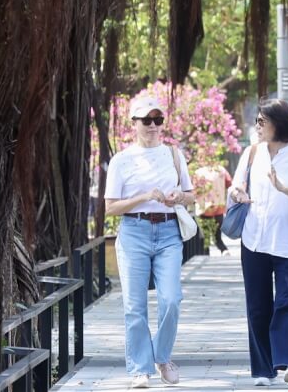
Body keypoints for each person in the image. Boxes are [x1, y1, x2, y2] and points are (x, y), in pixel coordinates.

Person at [104, 95, 195, 389]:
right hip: (134, 232)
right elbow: (110, 207)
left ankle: (162, 356)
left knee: (171, 299)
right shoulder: (122, 160)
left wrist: (178, 197)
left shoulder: (173, 155)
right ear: (134, 123)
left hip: (169, 233)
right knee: (134, 305)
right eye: (147, 120)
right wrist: (144, 197)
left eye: (158, 120)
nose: (153, 126)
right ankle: (140, 369)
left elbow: (191, 196)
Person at [228, 99, 288, 387]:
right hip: (254, 239)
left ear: (278, 123)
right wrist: (237, 192)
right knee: (257, 306)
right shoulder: (252, 152)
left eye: (261, 121)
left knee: (286, 301)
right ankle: (264, 370)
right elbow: (236, 185)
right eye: (256, 120)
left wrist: (283, 188)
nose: (257, 126)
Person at [193, 163, 232, 255]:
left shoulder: (198, 172)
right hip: (218, 207)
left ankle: (206, 254)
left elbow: (193, 189)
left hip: (204, 209)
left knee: (204, 237)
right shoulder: (222, 170)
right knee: (217, 236)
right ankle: (223, 250)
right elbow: (229, 183)